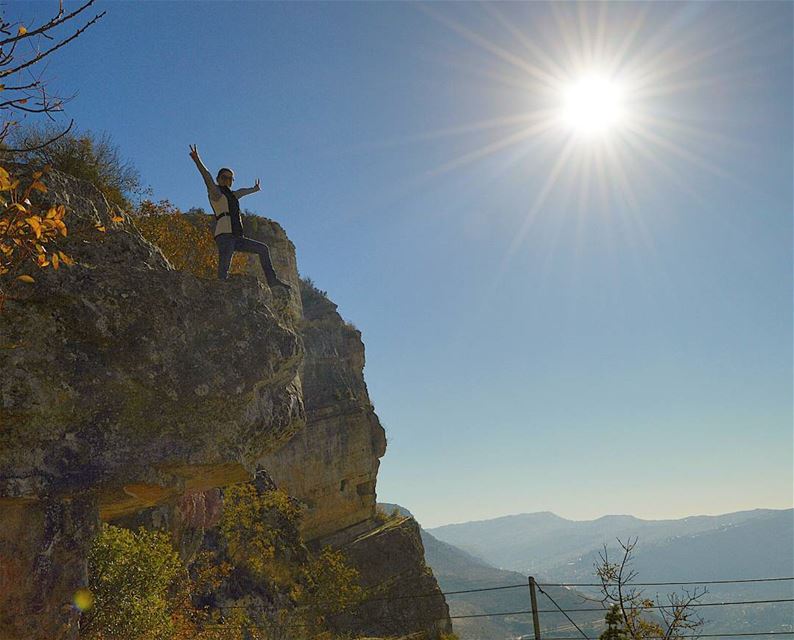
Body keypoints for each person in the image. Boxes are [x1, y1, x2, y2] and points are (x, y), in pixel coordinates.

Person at [188, 144, 291, 291]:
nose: (227, 181)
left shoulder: (232, 195)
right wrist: (197, 159)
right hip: (224, 235)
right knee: (224, 266)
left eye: (230, 179)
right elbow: (206, 176)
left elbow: (241, 192)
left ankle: (272, 281)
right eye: (224, 177)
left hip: (237, 236)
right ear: (219, 179)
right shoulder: (216, 193)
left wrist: (254, 189)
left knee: (263, 248)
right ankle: (220, 289)